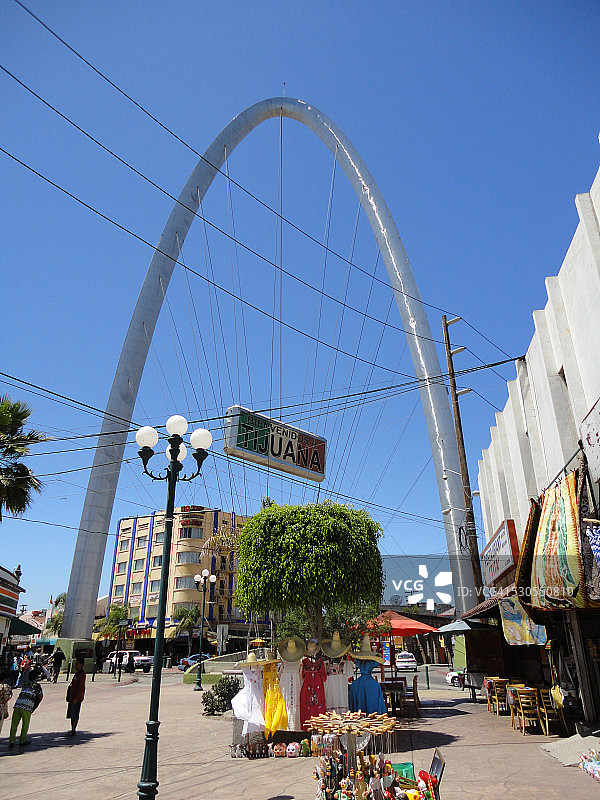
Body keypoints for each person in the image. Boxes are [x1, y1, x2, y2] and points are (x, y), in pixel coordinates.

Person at [7, 666, 43, 747]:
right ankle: (22, 740)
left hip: (18, 704)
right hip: (27, 706)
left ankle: (11, 741)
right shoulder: (37, 686)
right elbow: (40, 696)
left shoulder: (26, 683)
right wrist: (35, 705)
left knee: (14, 724)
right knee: (25, 724)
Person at [65, 657, 86, 738]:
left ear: (81, 665)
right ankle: (72, 729)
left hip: (76, 698)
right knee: (71, 714)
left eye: (77, 664)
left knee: (75, 714)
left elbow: (81, 687)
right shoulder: (77, 673)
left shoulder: (82, 674)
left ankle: (73, 730)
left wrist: (77, 698)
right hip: (72, 697)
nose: (75, 665)